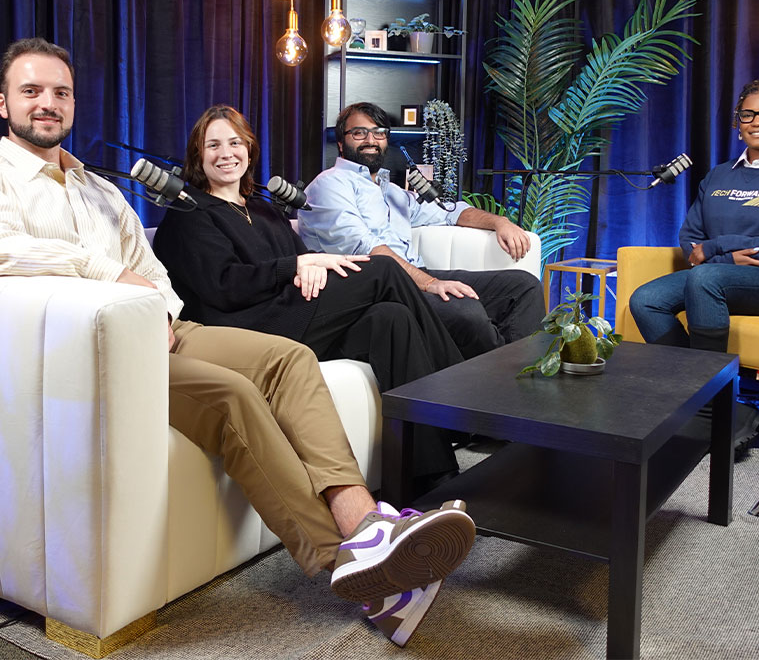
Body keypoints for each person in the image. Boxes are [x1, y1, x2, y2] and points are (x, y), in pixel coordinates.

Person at [0, 38, 476, 647]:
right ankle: (354, 569)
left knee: (288, 360)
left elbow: (149, 265)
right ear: (6, 102)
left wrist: (162, 310)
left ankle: (366, 525)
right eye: (32, 92)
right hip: (83, 355)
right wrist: (109, 276)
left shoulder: (98, 188)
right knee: (233, 394)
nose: (48, 104)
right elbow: (18, 251)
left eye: (60, 92)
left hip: (161, 329)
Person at [153, 104, 466, 489]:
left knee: (391, 318)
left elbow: (302, 257)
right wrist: (295, 267)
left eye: (234, 142)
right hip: (250, 328)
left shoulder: (262, 209)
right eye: (213, 145)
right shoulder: (190, 212)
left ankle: (429, 474)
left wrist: (310, 264)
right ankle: (460, 391)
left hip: (296, 314)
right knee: (383, 269)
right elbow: (225, 286)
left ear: (249, 149)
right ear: (198, 155)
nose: (225, 153)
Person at [297, 102, 546, 360]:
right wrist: (431, 284)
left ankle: (514, 380)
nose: (371, 140)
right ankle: (499, 385)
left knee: (524, 287)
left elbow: (450, 212)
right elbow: (367, 249)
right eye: (359, 133)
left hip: (418, 275)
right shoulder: (329, 184)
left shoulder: (392, 192)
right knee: (466, 312)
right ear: (341, 143)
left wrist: (500, 222)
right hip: (379, 289)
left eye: (378, 132)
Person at [629, 78, 759, 449]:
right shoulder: (720, 175)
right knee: (646, 300)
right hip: (716, 277)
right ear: (738, 124)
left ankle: (714, 410)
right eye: (747, 115)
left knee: (706, 278)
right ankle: (698, 399)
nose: (757, 121)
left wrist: (720, 247)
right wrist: (721, 257)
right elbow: (690, 236)